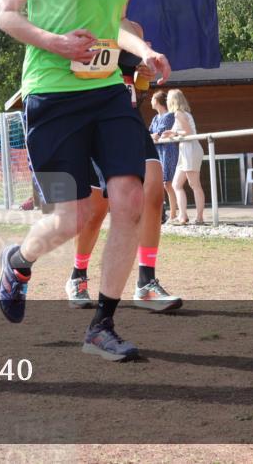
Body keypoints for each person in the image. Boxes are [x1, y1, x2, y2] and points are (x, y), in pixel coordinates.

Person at [0, 0, 171, 361]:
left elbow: (111, 22)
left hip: (108, 92)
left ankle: (102, 326)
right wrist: (55, 42)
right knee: (70, 218)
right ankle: (19, 261)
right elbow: (6, 14)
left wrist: (144, 49)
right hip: (51, 94)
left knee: (129, 199)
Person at [64, 24, 182, 313]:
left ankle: (146, 283)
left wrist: (143, 79)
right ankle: (78, 275)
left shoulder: (134, 29)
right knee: (97, 209)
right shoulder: (84, 17)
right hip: (92, 121)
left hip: (127, 119)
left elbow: (137, 88)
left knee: (153, 192)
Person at [165, 89, 205, 225]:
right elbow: (182, 131)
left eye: (168, 98)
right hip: (185, 150)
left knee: (194, 184)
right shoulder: (182, 113)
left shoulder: (179, 114)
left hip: (190, 149)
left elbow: (187, 132)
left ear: (173, 100)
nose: (166, 101)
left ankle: (199, 217)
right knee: (176, 184)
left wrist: (174, 133)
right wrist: (171, 133)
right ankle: (183, 216)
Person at [149, 90, 178, 223]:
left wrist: (155, 136)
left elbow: (161, 134)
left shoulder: (169, 116)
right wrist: (153, 136)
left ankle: (173, 214)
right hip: (157, 152)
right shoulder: (155, 118)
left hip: (168, 151)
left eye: (152, 99)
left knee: (168, 182)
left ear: (157, 101)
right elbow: (150, 134)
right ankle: (164, 214)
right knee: (160, 183)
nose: (150, 101)